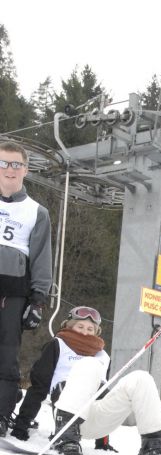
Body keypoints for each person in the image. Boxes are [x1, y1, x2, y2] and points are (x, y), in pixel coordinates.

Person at [10, 305, 161, 455]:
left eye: (90, 329)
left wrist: (102, 443)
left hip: (98, 419)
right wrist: (22, 426)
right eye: (80, 326)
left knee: (141, 378)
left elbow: (105, 393)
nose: (84, 332)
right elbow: (38, 388)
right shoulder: (57, 345)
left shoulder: (102, 355)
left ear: (96, 332)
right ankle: (65, 438)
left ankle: (152, 446)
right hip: (68, 418)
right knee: (89, 365)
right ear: (69, 326)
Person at [0, 140, 52, 437]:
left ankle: (1, 413)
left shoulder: (36, 212)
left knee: (6, 355)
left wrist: (38, 299)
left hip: (13, 291)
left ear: (25, 170)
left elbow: (41, 257)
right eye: (4, 163)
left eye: (16, 164)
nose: (10, 170)